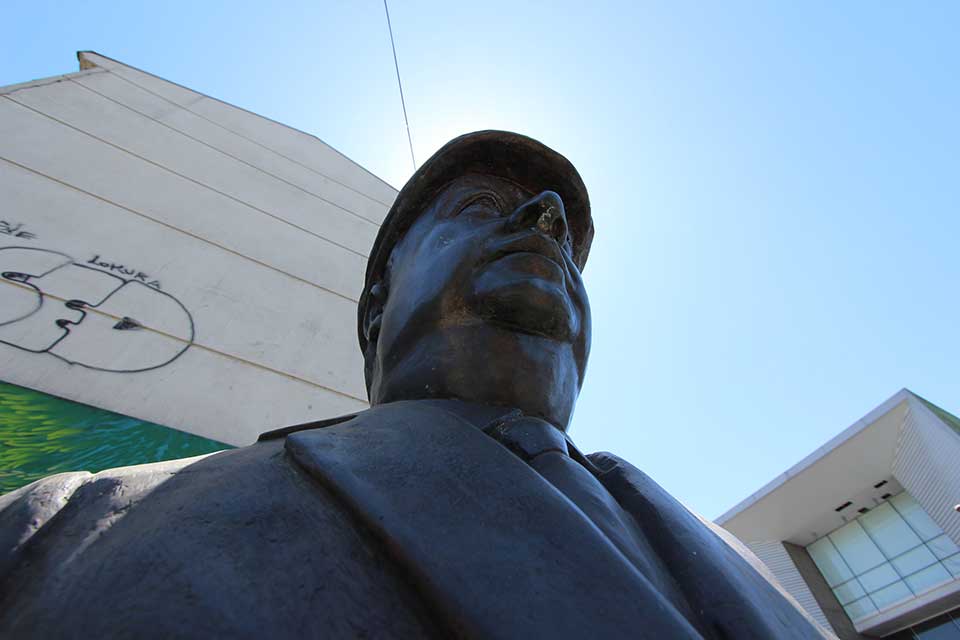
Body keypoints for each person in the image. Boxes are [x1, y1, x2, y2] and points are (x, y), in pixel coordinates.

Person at [0, 131, 829, 639]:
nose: (541, 219)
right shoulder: (62, 526)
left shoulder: (731, 557)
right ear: (375, 308)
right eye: (478, 204)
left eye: (568, 247)